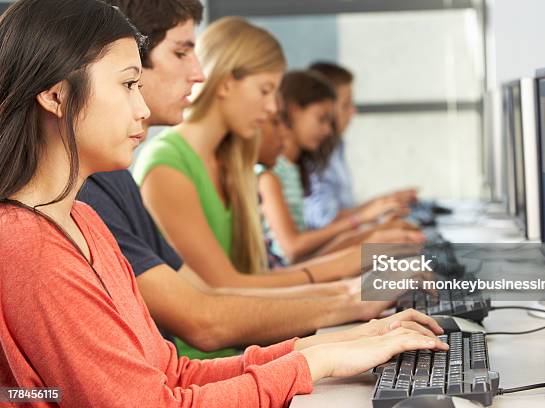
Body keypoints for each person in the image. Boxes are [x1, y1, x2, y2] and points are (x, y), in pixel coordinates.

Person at [0, 3, 448, 405]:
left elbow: (174, 373)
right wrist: (320, 358)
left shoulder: (85, 219)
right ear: (56, 95)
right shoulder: (28, 246)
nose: (141, 110)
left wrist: (331, 348)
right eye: (129, 85)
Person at [77, 0, 407, 361]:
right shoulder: (145, 172)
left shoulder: (119, 178)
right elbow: (209, 309)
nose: (198, 73)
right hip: (207, 364)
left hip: (216, 362)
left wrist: (349, 300)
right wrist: (349, 292)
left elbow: (209, 294)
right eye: (182, 52)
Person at [258, 70, 425, 265]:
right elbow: (294, 250)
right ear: (294, 111)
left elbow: (308, 254)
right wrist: (361, 221)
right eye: (321, 119)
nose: (328, 130)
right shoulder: (269, 177)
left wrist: (373, 232)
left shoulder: (293, 170)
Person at [304, 61, 419, 229]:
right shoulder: (307, 158)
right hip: (338, 249)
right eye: (346, 105)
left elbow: (341, 216)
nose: (353, 111)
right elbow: (323, 224)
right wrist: (372, 218)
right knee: (419, 253)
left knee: (419, 249)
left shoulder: (337, 148)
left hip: (347, 244)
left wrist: (382, 206)